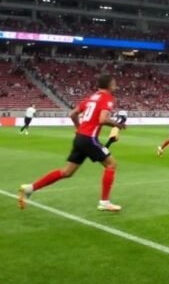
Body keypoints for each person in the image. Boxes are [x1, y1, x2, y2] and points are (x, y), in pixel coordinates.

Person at [18, 75, 124, 212]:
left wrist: (78, 128)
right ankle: (104, 202)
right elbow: (103, 119)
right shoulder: (107, 98)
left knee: (67, 172)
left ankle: (30, 188)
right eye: (114, 83)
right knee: (111, 164)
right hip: (89, 139)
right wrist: (117, 125)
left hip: (80, 137)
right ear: (109, 85)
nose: (116, 85)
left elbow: (72, 114)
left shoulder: (90, 98)